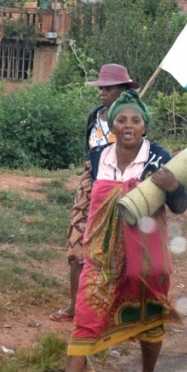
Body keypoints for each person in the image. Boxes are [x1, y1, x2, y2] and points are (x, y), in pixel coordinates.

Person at [35, 91, 187, 372]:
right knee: (86, 313)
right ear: (112, 125)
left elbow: (180, 206)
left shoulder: (158, 158)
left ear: (145, 125)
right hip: (101, 255)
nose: (129, 125)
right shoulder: (98, 156)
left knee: (148, 314)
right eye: (122, 120)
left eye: (135, 120)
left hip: (146, 260)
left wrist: (173, 186)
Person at [50, 64, 135, 323]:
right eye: (100, 88)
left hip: (120, 185)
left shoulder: (131, 119)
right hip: (90, 183)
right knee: (77, 242)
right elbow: (90, 152)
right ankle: (74, 306)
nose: (102, 93)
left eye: (108, 88)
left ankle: (115, 307)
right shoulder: (94, 116)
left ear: (122, 90)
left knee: (115, 247)